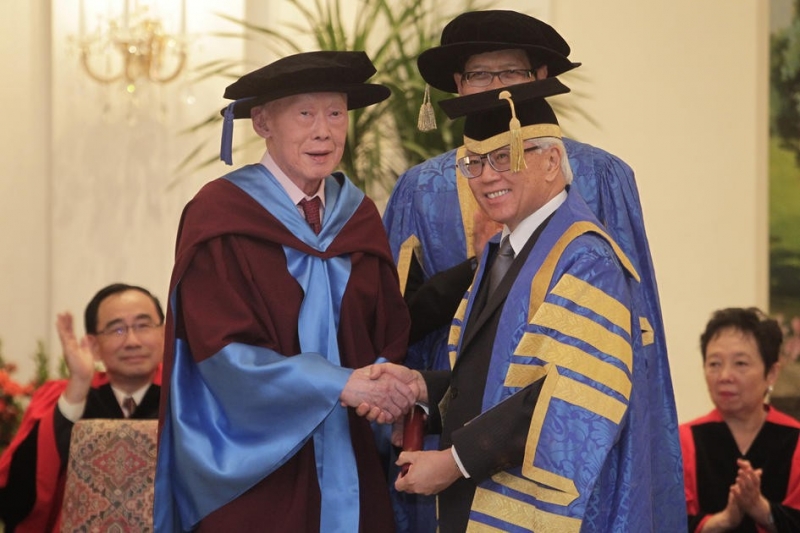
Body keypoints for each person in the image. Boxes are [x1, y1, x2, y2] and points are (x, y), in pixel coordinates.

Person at [382, 10, 679, 530]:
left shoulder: (584, 256)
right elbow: (497, 370)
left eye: (507, 156)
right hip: (482, 493)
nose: (487, 177)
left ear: (551, 162)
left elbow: (568, 392)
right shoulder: (504, 249)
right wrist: (422, 388)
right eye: (475, 162)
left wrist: (453, 462)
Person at [153, 50, 418, 533]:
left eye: (335, 113)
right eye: (305, 114)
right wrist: (336, 384)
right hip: (256, 470)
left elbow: (388, 327)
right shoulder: (221, 215)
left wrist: (386, 386)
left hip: (353, 460)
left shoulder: (358, 216)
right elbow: (219, 353)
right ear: (262, 123)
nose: (324, 131)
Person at [0, 283, 164, 533]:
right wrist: (78, 384)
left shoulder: (189, 402)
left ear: (164, 334)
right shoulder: (64, 397)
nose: (132, 341)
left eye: (143, 325)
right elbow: (18, 494)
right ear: (94, 345)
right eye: (117, 329)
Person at [680, 307, 800, 532]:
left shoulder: (795, 440)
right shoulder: (682, 441)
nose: (725, 376)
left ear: (771, 373)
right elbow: (666, 521)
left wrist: (763, 510)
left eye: (741, 363)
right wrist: (723, 520)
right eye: (714, 364)